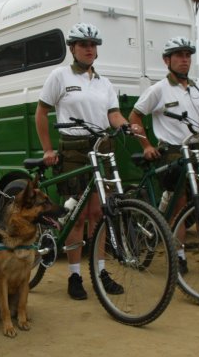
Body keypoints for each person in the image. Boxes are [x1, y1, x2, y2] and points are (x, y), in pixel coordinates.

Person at [35, 23, 137, 300]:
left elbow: (113, 114)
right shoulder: (60, 76)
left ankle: (101, 271)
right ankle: (75, 275)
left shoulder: (104, 83)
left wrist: (126, 125)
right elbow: (41, 112)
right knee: (78, 216)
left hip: (101, 146)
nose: (89, 49)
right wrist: (47, 149)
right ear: (72, 48)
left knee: (98, 214)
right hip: (73, 148)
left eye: (93, 45)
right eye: (83, 44)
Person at [128, 37, 199, 277]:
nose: (184, 59)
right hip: (173, 152)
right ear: (167, 60)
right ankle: (178, 258)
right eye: (178, 55)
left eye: (187, 55)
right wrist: (146, 145)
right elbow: (134, 117)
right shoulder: (158, 89)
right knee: (179, 206)